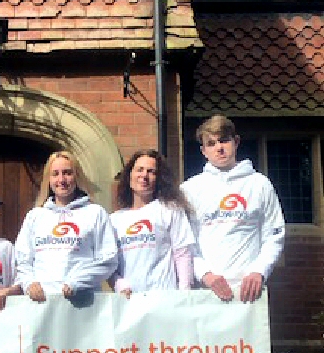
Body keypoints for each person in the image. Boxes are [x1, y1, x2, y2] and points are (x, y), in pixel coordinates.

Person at [181, 115, 285, 303]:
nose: (219, 148)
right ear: (203, 151)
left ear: (236, 142)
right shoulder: (190, 190)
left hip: (250, 292)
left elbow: (274, 235)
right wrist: (205, 275)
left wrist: (259, 271)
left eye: (224, 140)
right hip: (207, 291)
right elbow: (185, 243)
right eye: (211, 143)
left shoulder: (259, 184)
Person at [15, 150, 118, 302]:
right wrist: (30, 283)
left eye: (67, 173)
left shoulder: (95, 213)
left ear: (77, 176)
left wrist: (77, 282)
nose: (61, 179)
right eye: (55, 174)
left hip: (83, 302)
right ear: (48, 179)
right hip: (42, 304)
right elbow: (22, 260)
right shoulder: (35, 216)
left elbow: (109, 260)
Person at [109, 150, 194, 297]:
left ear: (158, 179)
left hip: (163, 300)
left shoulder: (169, 209)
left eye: (151, 171)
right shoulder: (114, 220)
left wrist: (184, 295)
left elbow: (182, 254)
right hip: (128, 303)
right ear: (129, 175)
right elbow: (108, 264)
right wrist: (119, 285)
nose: (144, 176)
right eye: (139, 170)